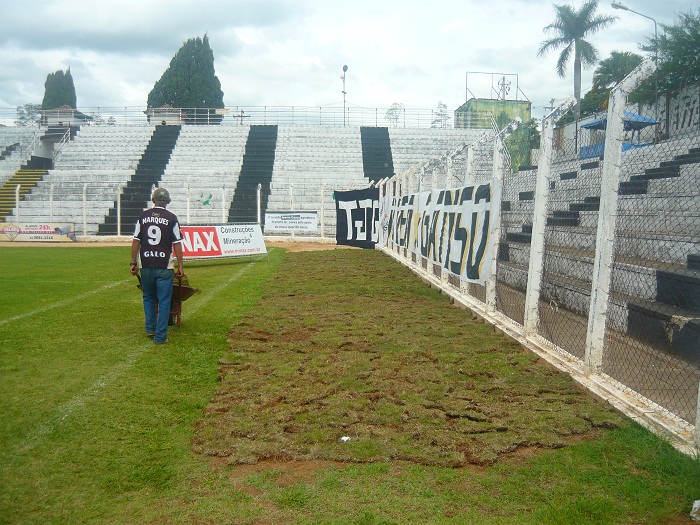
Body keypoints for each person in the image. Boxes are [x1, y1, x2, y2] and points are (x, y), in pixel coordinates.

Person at [130, 188, 184, 344]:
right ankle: (160, 336)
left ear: (153, 200)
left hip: (146, 264)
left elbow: (136, 241)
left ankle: (150, 329)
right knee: (165, 301)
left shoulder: (143, 216)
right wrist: (180, 266)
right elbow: (177, 243)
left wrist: (133, 262)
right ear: (167, 202)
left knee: (148, 297)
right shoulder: (172, 218)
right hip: (164, 266)